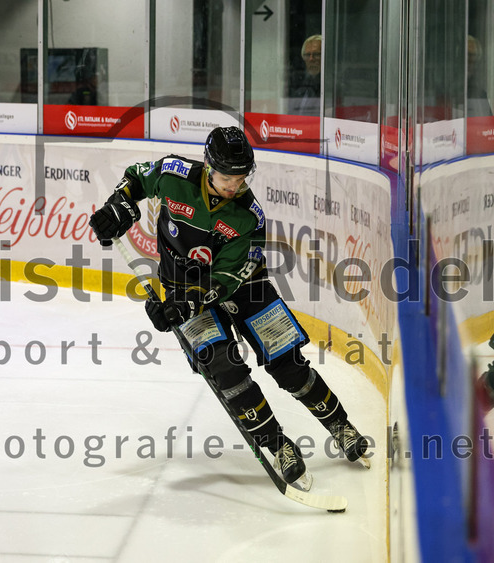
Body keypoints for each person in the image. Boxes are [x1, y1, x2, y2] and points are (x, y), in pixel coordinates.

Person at [89, 126, 369, 491]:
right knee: (224, 368)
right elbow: (138, 179)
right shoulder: (174, 175)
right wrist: (120, 204)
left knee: (288, 364)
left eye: (240, 178)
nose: (233, 186)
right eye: (226, 178)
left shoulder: (249, 216)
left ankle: (340, 425)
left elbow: (228, 276)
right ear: (208, 166)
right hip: (181, 287)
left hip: (244, 286)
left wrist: (187, 303)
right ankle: (279, 445)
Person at [289, 34, 322, 116]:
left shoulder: (332, 88)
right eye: (307, 55)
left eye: (316, 54)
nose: (311, 59)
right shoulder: (300, 85)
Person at [467, 35, 492, 117]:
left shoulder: (480, 94)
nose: (470, 60)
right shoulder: (444, 90)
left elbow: (487, 121)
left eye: (473, 56)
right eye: (468, 54)